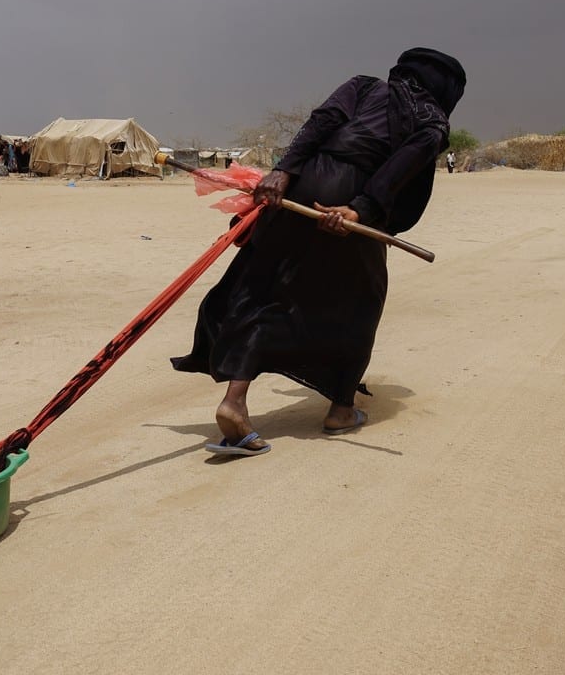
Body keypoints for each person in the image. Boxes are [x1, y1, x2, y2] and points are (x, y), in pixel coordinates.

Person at [171, 48, 466, 456]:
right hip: (353, 201)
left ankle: (234, 403)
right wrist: (360, 209)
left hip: (304, 185)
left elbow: (321, 123)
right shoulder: (432, 121)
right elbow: (399, 169)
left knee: (266, 288)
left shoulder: (362, 86)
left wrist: (282, 172)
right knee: (359, 300)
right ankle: (341, 409)